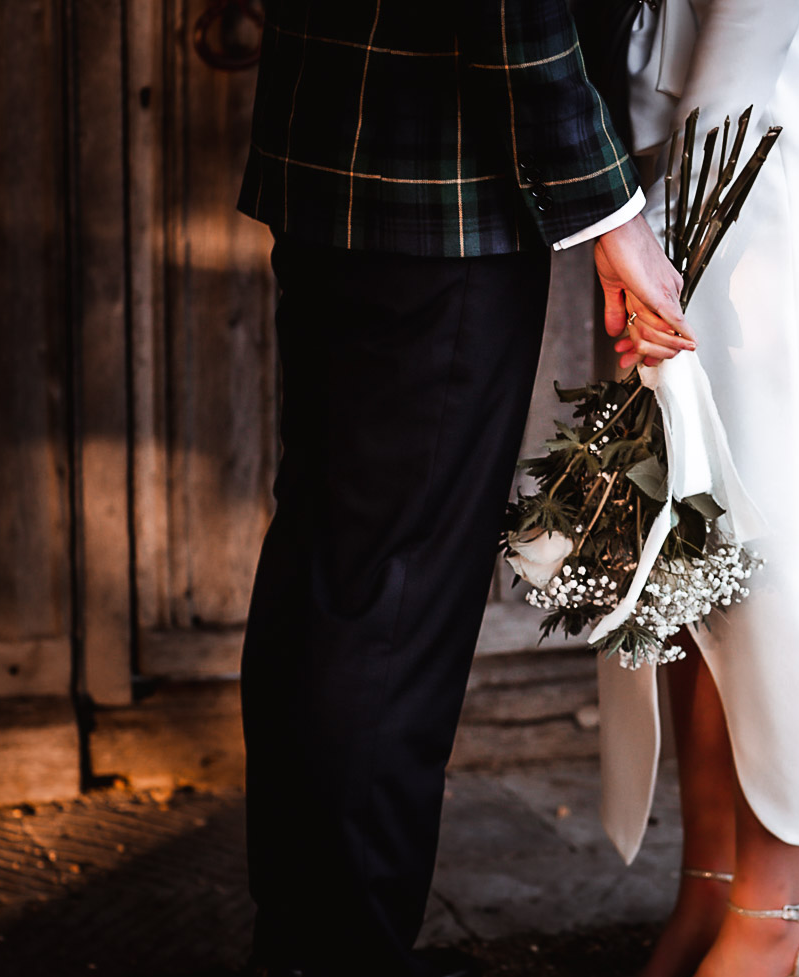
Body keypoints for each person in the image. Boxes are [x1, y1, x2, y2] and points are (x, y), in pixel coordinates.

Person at [232, 4, 694, 976]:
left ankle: (311, 936)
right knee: (391, 591)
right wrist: (611, 210)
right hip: (444, 170)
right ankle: (344, 951)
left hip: (348, 143)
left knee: (335, 566)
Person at [596, 1, 799, 976]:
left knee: (771, 543)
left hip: (754, 165)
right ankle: (712, 883)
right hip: (669, 164)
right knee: (686, 544)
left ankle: (776, 904)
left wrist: (675, 232)